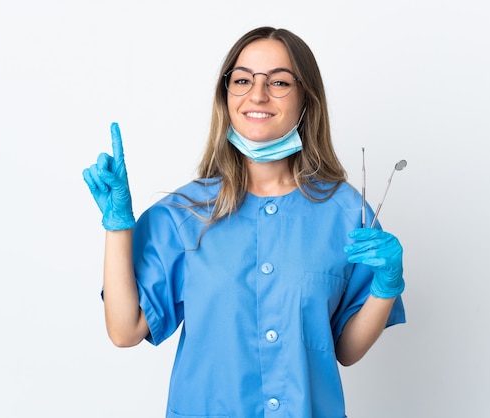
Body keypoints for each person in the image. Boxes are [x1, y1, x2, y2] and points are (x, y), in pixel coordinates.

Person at [83, 26, 406, 418]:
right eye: (242, 80)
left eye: (280, 82)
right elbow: (124, 330)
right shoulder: (186, 212)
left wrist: (386, 286)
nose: (257, 94)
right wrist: (118, 226)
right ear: (226, 97)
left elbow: (346, 350)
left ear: (307, 99)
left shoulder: (345, 213)